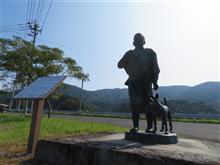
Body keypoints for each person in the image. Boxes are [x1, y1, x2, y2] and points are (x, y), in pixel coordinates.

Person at [118, 33, 160, 132]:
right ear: (133, 42)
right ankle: (136, 126)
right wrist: (129, 70)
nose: (138, 41)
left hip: (146, 82)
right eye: (136, 39)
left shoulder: (150, 53)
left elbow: (155, 68)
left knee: (148, 104)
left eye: (140, 39)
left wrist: (155, 82)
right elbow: (119, 64)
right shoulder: (129, 54)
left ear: (144, 42)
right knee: (134, 104)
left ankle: (149, 126)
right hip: (133, 82)